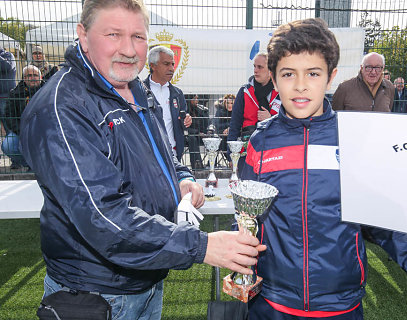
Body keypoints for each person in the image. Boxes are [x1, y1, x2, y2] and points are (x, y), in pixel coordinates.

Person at [19, 1, 264, 318]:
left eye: (137, 36)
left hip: (144, 278)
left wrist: (182, 178)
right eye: (113, 34)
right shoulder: (62, 107)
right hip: (98, 292)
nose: (128, 49)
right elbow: (103, 218)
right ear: (83, 36)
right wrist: (202, 246)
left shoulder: (133, 86)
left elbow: (160, 151)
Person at [242, 18, 407, 319]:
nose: (301, 84)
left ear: (331, 77)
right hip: (271, 304)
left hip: (341, 306)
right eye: (289, 73)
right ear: (275, 79)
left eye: (313, 73)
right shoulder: (260, 142)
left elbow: (381, 217)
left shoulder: (355, 140)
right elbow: (246, 219)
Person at [227, 52, 281, 176]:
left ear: (270, 70)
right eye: (254, 66)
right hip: (247, 150)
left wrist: (270, 119)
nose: (255, 70)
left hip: (272, 149)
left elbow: (287, 123)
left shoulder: (281, 92)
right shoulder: (244, 91)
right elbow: (234, 124)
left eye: (260, 67)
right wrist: (231, 154)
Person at [144, 45, 192, 161]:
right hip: (147, 154)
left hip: (173, 154)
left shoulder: (177, 93)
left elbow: (181, 120)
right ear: (152, 66)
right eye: (166, 64)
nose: (171, 68)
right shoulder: (139, 91)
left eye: (172, 64)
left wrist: (186, 120)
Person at [2, 65, 44, 170]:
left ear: (41, 77)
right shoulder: (15, 93)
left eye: (35, 75)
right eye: (29, 75)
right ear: (24, 79)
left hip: (45, 130)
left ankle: (44, 165)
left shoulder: (49, 90)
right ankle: (30, 164)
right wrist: (21, 131)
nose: (33, 77)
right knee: (8, 145)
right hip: (21, 130)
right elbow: (9, 115)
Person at [185, 93, 209, 169]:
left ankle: (212, 164)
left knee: (213, 137)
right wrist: (197, 133)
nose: (197, 101)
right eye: (194, 99)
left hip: (201, 134)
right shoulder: (184, 111)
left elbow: (207, 123)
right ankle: (197, 164)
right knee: (192, 139)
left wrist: (208, 131)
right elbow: (184, 128)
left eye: (197, 98)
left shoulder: (200, 109)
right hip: (188, 135)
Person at [0, 46, 16, 137]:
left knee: (9, 126)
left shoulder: (8, 55)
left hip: (5, 97)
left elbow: (7, 66)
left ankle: (12, 148)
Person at [215, 93, 235, 160]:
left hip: (234, 133)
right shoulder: (220, 111)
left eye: (231, 103)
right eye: (227, 103)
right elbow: (217, 125)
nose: (229, 105)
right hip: (222, 134)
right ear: (224, 103)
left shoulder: (237, 111)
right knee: (220, 141)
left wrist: (230, 128)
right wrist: (226, 129)